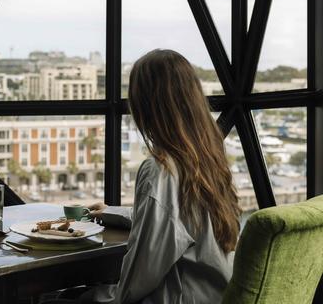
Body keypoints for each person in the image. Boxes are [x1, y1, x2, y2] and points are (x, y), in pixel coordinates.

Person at [45, 49, 241, 304]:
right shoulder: (208, 160)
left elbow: (137, 279)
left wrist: (90, 297)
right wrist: (111, 213)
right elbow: (177, 222)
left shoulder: (161, 169)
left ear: (146, 107)